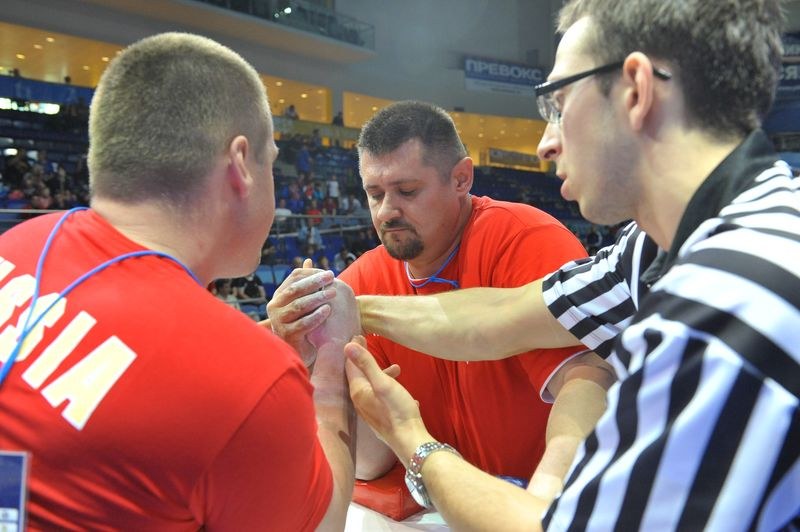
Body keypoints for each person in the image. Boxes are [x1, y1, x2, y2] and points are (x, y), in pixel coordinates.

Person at [342, 0, 798, 530]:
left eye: (558, 103)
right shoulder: (655, 248)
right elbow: (500, 316)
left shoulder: (719, 311)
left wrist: (410, 438)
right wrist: (350, 307)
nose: (546, 144)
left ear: (635, 90)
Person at [0, 32, 355, 530]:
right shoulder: (249, 382)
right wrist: (332, 373)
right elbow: (325, 521)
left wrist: (266, 343)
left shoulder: (19, 242)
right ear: (240, 165)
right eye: (271, 162)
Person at [267, 101, 616, 505]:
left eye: (407, 191)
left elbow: (588, 380)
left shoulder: (525, 240)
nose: (387, 211)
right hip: (438, 509)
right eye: (374, 194)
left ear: (461, 179)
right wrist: (316, 361)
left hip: (536, 503)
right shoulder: (360, 280)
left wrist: (548, 498)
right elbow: (370, 463)